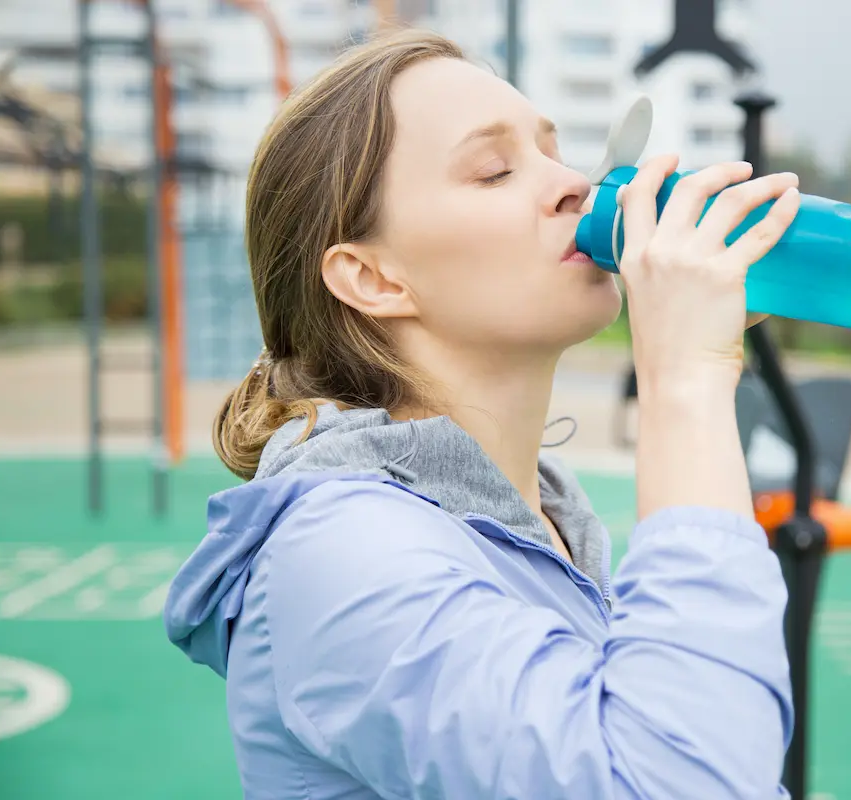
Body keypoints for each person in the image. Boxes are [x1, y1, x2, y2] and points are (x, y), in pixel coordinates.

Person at [163, 28, 801, 800]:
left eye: (553, 152)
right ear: (371, 277)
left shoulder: (539, 518)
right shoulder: (340, 553)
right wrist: (686, 383)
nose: (572, 183)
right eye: (495, 171)